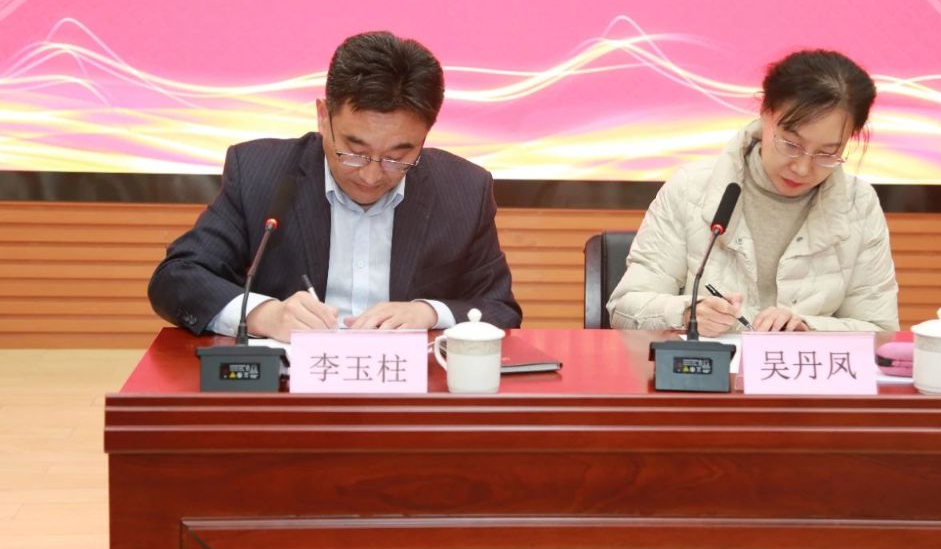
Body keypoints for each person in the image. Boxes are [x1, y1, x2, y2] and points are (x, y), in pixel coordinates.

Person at [149, 31, 522, 341]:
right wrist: (265, 314)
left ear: (425, 135)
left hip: (412, 392)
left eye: (397, 157)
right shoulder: (260, 173)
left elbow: (499, 308)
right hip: (290, 391)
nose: (371, 176)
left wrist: (429, 312)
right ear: (323, 116)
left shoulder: (463, 189)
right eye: (354, 152)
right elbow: (177, 278)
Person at [607, 49, 899, 335]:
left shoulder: (858, 204)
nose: (802, 168)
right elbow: (625, 308)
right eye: (791, 145)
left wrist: (808, 328)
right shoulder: (691, 188)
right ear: (765, 113)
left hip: (802, 368)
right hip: (711, 366)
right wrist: (687, 313)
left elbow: (881, 330)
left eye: (827, 154)